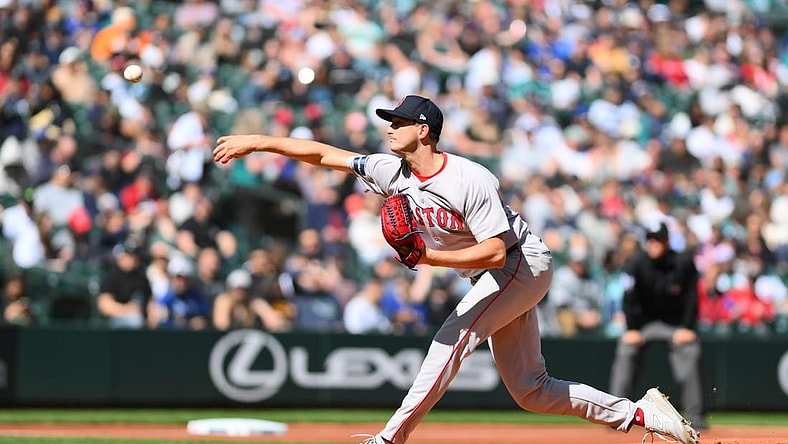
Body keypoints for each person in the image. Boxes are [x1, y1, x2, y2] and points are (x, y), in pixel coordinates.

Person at [213, 95, 700, 444]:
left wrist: (428, 258)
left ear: (423, 129)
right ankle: (642, 415)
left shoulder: (469, 178)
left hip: (520, 263)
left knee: (453, 336)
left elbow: (493, 252)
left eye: (399, 121)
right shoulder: (391, 171)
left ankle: (390, 438)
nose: (389, 127)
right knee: (531, 391)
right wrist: (257, 141)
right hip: (496, 273)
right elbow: (323, 154)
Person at [609, 221, 707, 430]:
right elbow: (628, 299)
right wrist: (631, 328)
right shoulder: (636, 263)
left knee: (690, 351)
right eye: (650, 239)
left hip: (675, 325)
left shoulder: (682, 262)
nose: (654, 244)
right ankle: (615, 415)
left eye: (658, 240)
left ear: (667, 241)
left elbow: (692, 298)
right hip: (643, 325)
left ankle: (696, 416)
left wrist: (688, 327)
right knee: (626, 351)